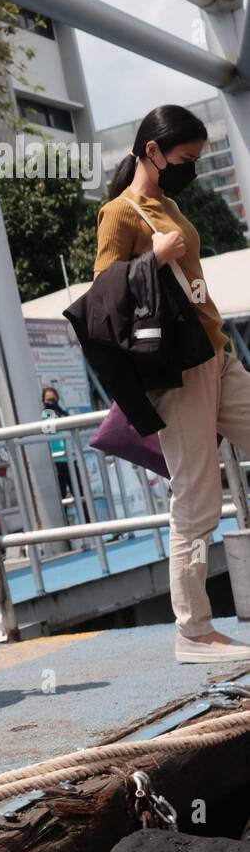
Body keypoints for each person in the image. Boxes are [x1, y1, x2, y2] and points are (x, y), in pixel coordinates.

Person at [95, 104, 250, 663]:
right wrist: (154, 260)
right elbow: (102, 299)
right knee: (196, 497)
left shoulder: (172, 203)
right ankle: (194, 631)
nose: (191, 168)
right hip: (178, 372)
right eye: (185, 159)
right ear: (152, 151)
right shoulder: (120, 212)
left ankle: (198, 629)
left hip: (217, 356)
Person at [40, 386, 73, 505]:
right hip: (58, 459)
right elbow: (50, 433)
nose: (51, 402)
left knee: (80, 492)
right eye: (48, 400)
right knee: (62, 494)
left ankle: (88, 519)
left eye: (53, 399)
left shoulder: (63, 413)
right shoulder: (47, 414)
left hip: (71, 457)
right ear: (43, 401)